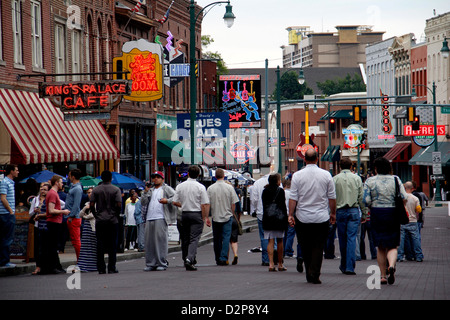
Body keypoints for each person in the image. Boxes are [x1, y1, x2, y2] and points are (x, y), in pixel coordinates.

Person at [289, 149, 336, 284]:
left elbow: (293, 197)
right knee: (318, 246)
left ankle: (309, 269)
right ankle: (314, 272)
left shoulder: (297, 176)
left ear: (304, 159)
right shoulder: (326, 175)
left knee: (305, 246)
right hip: (321, 217)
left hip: (303, 216)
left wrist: (290, 215)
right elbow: (332, 197)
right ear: (317, 159)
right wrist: (333, 213)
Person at [363, 157, 407, 285]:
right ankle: (391, 266)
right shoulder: (396, 179)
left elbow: (365, 200)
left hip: (377, 213)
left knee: (381, 246)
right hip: (392, 213)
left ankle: (382, 276)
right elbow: (404, 197)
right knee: (392, 245)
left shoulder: (370, 181)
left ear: (376, 168)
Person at [333, 157, 367, 275]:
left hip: (340, 211)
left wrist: (331, 213)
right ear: (351, 166)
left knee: (342, 239)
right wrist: (364, 212)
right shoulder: (357, 178)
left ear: (340, 166)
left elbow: (331, 198)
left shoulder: (335, 179)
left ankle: (343, 263)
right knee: (352, 238)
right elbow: (361, 197)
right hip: (353, 210)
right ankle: (350, 266)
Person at [173, 166, 210, 271]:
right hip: (196, 214)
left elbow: (175, 201)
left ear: (188, 173)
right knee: (194, 238)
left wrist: (185, 204)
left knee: (185, 238)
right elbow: (205, 204)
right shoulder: (200, 187)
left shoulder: (180, 186)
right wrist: (205, 217)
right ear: (198, 175)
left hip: (184, 214)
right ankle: (190, 259)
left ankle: (186, 258)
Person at [140, 171, 177, 271]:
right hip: (149, 217)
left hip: (160, 217)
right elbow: (143, 203)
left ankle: (161, 262)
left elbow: (176, 197)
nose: (155, 179)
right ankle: (150, 263)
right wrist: (145, 192)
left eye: (158, 177)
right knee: (149, 242)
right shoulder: (150, 190)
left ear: (162, 179)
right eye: (154, 177)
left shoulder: (166, 188)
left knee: (160, 241)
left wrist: (167, 201)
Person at [90, 170, 122, 274]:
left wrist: (96, 215)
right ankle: (112, 267)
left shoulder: (96, 190)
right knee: (112, 245)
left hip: (100, 220)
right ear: (111, 178)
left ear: (101, 178)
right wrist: (115, 215)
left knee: (100, 245)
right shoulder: (116, 190)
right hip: (112, 220)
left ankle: (101, 268)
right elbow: (119, 205)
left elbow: (91, 205)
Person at [207, 169, 239, 266]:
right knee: (226, 237)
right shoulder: (229, 188)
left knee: (216, 238)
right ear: (224, 175)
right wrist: (232, 212)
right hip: (227, 215)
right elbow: (234, 203)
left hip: (215, 216)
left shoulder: (210, 188)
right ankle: (223, 257)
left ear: (215, 176)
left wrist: (206, 217)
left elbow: (207, 203)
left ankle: (217, 257)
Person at [41, 175, 70, 274]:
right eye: (61, 182)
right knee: (53, 245)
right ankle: (54, 267)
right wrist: (63, 211)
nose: (62, 184)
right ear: (56, 182)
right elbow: (51, 210)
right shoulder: (53, 194)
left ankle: (56, 266)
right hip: (54, 222)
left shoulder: (53, 193)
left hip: (54, 221)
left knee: (53, 245)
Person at [262, 173, 288, 272]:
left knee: (270, 240)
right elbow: (283, 205)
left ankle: (271, 264)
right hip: (279, 218)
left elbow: (264, 204)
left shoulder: (265, 191)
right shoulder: (281, 191)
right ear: (277, 181)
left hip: (268, 217)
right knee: (280, 240)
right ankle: (280, 264)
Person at [397, 181, 424, 263]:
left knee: (401, 240)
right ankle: (418, 256)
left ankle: (400, 256)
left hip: (402, 221)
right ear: (412, 188)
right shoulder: (415, 198)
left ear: (404, 188)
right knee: (415, 239)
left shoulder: (401, 198)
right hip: (413, 220)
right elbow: (418, 209)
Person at [0, 164, 19, 269]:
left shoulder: (10, 183)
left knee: (6, 238)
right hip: (6, 214)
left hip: (7, 213)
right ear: (11, 171)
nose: (18, 172)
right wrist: (11, 211)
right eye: (16, 170)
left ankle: (4, 260)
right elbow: (3, 198)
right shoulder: (5, 182)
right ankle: (4, 261)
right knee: (7, 238)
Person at [29, 183, 51, 275]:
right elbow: (30, 213)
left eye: (45, 189)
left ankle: (46, 266)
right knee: (38, 247)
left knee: (46, 247)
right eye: (41, 189)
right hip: (38, 225)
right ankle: (38, 267)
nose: (43, 191)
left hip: (47, 225)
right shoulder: (35, 199)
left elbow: (62, 205)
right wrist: (35, 210)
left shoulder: (50, 199)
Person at [250, 172, 270, 266]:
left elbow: (254, 199)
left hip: (261, 213)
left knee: (264, 237)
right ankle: (274, 258)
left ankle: (266, 259)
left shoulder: (257, 183)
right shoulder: (278, 183)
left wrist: (255, 208)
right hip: (274, 215)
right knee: (273, 237)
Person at [77, 188, 97, 272]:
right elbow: (80, 214)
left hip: (93, 227)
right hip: (86, 227)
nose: (90, 194)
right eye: (88, 192)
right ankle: (84, 265)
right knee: (85, 246)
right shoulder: (86, 204)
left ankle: (93, 265)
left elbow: (92, 215)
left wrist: (85, 216)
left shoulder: (97, 204)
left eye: (91, 192)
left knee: (93, 246)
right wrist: (85, 208)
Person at [65, 168, 83, 260]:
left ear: (73, 177)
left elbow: (76, 204)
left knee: (76, 241)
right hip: (72, 216)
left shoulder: (77, 189)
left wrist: (71, 215)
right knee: (75, 240)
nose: (68, 177)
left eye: (69, 175)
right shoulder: (74, 187)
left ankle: (80, 260)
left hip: (74, 217)